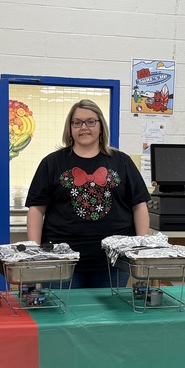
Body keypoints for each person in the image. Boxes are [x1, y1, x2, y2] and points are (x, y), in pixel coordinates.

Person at [25, 99, 150, 289]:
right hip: (61, 262)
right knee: (62, 317)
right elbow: (36, 210)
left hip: (113, 263)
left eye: (91, 121)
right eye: (77, 122)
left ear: (101, 126)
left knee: (109, 317)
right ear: (70, 128)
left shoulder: (121, 162)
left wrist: (141, 252)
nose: (84, 127)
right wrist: (35, 255)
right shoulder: (52, 163)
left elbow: (139, 206)